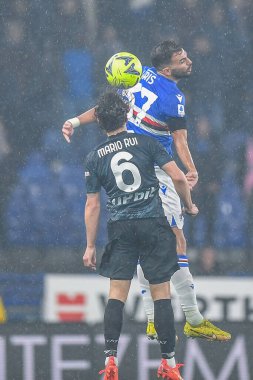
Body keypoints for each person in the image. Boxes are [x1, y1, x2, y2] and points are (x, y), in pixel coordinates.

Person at [62, 40, 231, 341]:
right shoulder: (174, 98)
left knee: (146, 241)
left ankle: (156, 320)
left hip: (131, 165)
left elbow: (106, 108)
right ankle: (190, 318)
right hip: (155, 167)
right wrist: (191, 170)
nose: (189, 61)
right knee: (175, 240)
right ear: (168, 68)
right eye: (183, 59)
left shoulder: (141, 75)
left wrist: (75, 120)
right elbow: (180, 142)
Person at [83, 91, 198, 380]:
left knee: (116, 296)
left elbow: (93, 205)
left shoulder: (94, 157)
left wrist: (89, 246)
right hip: (153, 225)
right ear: (127, 116)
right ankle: (169, 364)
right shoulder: (147, 143)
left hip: (121, 228)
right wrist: (189, 204)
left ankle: (110, 359)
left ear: (100, 122)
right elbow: (178, 177)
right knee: (161, 294)